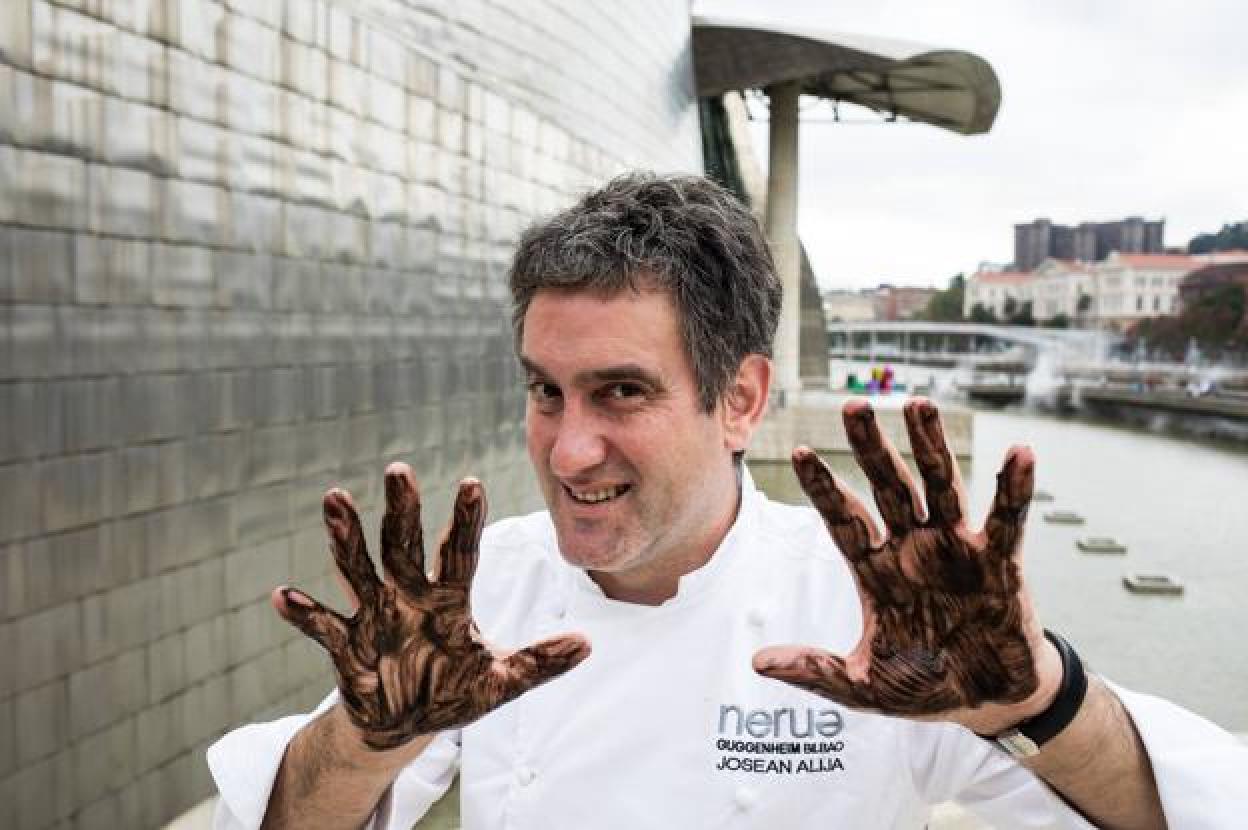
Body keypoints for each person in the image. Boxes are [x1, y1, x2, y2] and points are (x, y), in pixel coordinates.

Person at [208, 173, 1246, 829]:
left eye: (622, 390)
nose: (569, 448)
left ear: (740, 397)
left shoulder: (879, 614)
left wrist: (1039, 701)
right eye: (544, 390)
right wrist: (366, 733)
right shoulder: (483, 596)